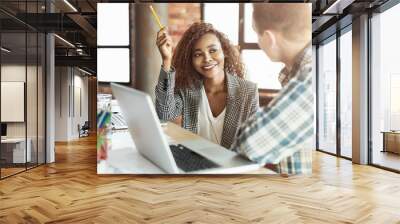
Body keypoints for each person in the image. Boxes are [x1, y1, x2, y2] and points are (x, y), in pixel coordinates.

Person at [231, 3, 313, 175]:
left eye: (256, 33)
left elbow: (250, 145)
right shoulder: (296, 73)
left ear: (269, 38)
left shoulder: (310, 78)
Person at [155, 22, 259, 149]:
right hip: (193, 163)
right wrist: (166, 60)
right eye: (198, 54)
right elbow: (165, 114)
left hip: (231, 166)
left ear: (224, 51)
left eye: (213, 50)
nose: (207, 58)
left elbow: (254, 142)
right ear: (191, 60)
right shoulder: (186, 89)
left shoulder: (248, 91)